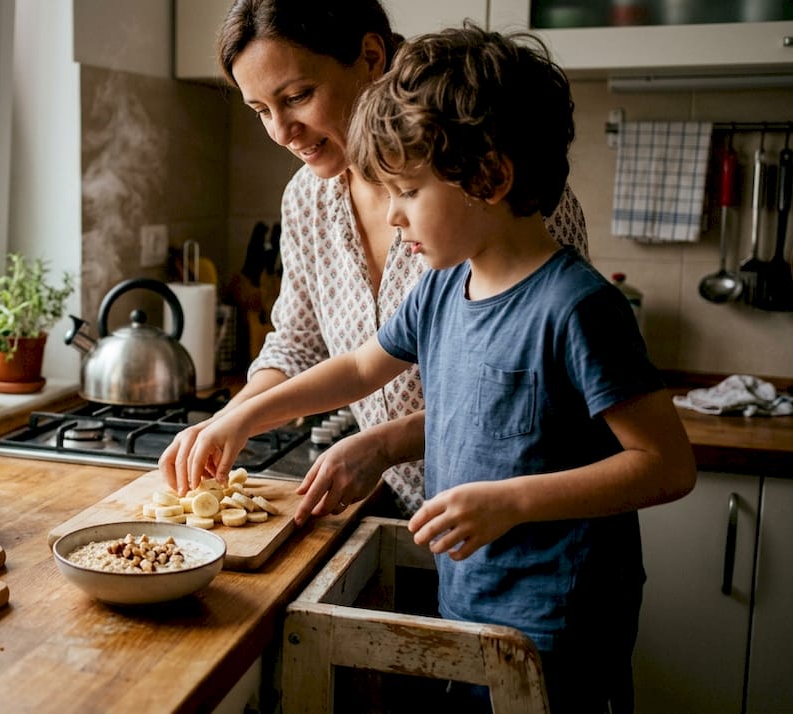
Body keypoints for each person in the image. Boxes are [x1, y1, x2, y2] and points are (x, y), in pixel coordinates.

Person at [163, 23, 696, 714]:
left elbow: (667, 465)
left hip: (560, 621)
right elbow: (357, 368)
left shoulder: (578, 308)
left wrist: (510, 501)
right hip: (470, 597)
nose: (392, 214)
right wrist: (241, 417)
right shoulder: (446, 285)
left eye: (407, 192)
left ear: (492, 177)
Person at [159, 0, 592, 521]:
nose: (279, 132)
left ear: (370, 56)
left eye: (297, 96)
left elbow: (537, 394)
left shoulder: (495, 194)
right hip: (411, 515)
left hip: (530, 526)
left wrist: (386, 444)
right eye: (259, 111)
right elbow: (307, 350)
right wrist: (229, 420)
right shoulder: (307, 199)